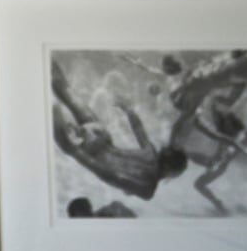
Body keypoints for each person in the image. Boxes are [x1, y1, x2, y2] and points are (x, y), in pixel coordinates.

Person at [50, 60, 187, 201]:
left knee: (67, 91)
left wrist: (129, 111)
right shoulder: (147, 189)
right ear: (171, 172)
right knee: (49, 110)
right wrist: (74, 152)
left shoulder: (150, 152)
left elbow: (139, 130)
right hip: (91, 152)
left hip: (103, 136)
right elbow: (109, 176)